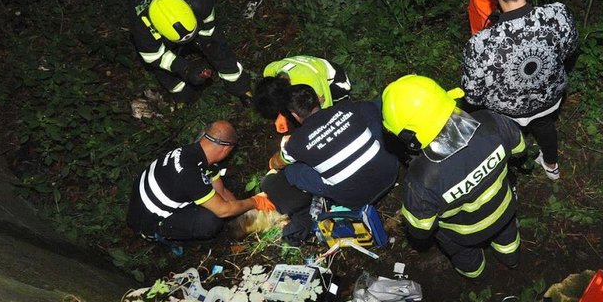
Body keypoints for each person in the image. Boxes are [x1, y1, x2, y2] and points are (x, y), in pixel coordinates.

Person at [382, 75, 526, 279]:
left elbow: (421, 230)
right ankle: (512, 259)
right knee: (507, 236)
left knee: (464, 256)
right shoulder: (492, 122)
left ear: (409, 137)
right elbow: (520, 150)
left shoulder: (420, 181)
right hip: (504, 210)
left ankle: (478, 276)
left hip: (463, 236)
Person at [461, 0, 579, 180]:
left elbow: (472, 96)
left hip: (505, 113)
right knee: (545, 127)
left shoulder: (481, 44)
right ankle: (552, 166)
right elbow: (571, 50)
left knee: (505, 137)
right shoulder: (558, 15)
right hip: (549, 99)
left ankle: (504, 175)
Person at [126, 121, 274, 255]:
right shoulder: (190, 173)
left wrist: (243, 214)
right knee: (209, 221)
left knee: (224, 193)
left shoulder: (198, 154)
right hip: (147, 220)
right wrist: (255, 202)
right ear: (226, 150)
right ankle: (165, 237)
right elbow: (222, 210)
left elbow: (221, 191)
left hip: (161, 195)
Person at [264, 85, 399, 230]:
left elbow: (277, 163)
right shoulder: (347, 107)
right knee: (369, 109)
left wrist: (279, 154)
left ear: (294, 114)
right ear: (319, 100)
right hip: (390, 172)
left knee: (293, 171)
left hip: (355, 198)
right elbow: (369, 110)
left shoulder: (296, 143)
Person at [131, 0, 251, 105]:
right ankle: (184, 97)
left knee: (218, 49)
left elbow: (210, 29)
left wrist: (209, 44)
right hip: (151, 21)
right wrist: (185, 68)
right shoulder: (143, 29)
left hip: (188, 11)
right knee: (164, 72)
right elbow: (155, 57)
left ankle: (240, 87)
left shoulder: (201, 2)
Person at [254, 55, 351, 134]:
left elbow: (324, 111)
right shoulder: (269, 71)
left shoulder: (310, 87)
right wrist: (281, 116)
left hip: (336, 80)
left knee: (336, 111)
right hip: (309, 69)